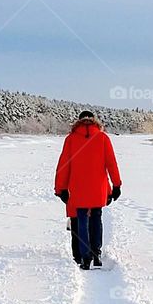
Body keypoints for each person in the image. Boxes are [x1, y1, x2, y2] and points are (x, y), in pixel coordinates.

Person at [54, 111, 122, 270]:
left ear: (79, 121)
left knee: (82, 219)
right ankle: (96, 253)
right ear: (94, 121)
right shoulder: (103, 138)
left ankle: (85, 257)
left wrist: (61, 188)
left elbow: (63, 165)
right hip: (98, 188)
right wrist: (116, 185)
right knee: (96, 218)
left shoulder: (71, 139)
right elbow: (111, 163)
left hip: (78, 189)